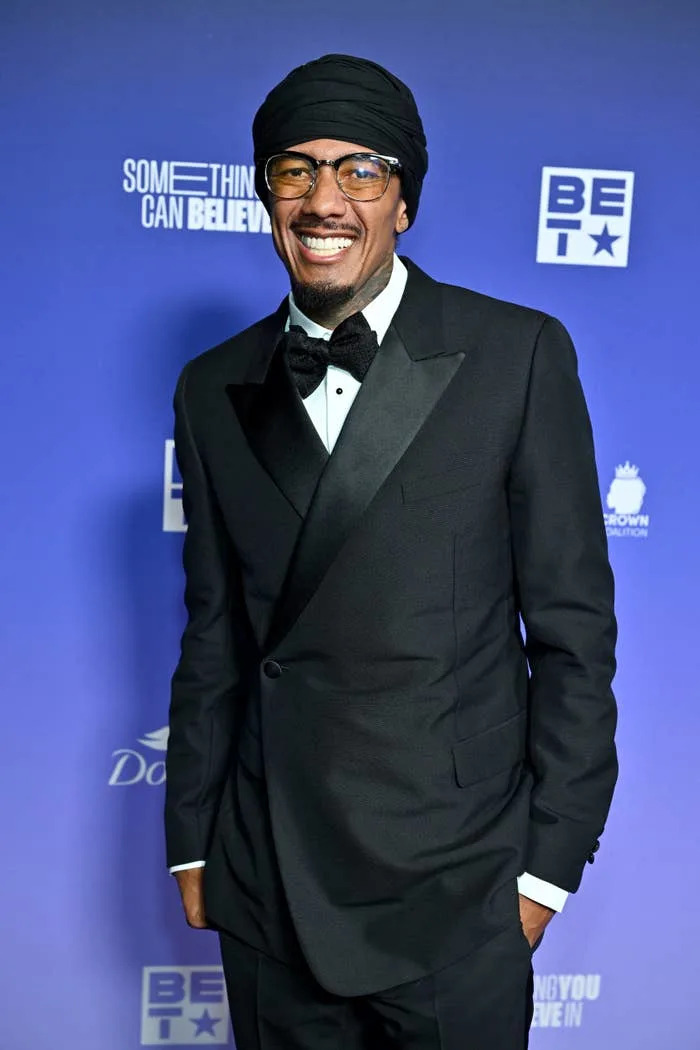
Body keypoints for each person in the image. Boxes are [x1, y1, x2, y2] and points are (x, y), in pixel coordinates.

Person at [165, 53, 618, 1050]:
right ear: (264, 195)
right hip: (269, 881)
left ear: (402, 201)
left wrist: (543, 874)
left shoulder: (516, 354)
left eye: (359, 171)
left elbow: (574, 639)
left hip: (453, 889)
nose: (325, 200)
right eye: (295, 170)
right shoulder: (211, 386)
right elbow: (214, 636)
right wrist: (193, 845)